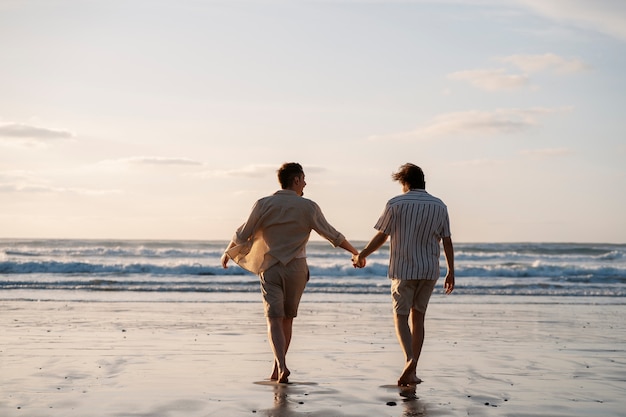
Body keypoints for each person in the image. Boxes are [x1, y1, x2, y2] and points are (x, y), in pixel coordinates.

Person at [221, 162, 359, 384]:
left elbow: (243, 232)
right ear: (296, 180)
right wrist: (355, 252)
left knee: (273, 319)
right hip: (297, 268)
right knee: (287, 320)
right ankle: (279, 366)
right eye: (303, 179)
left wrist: (228, 252)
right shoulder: (308, 207)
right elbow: (332, 234)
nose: (305, 183)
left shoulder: (263, 204)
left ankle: (280, 366)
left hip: (270, 267)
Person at [353, 163, 454, 386]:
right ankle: (412, 371)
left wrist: (362, 254)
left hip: (403, 269)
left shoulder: (396, 203)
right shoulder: (439, 205)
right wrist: (451, 271)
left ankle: (409, 359)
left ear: (405, 182)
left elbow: (382, 236)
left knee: (400, 316)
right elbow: (447, 240)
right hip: (429, 271)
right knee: (418, 318)